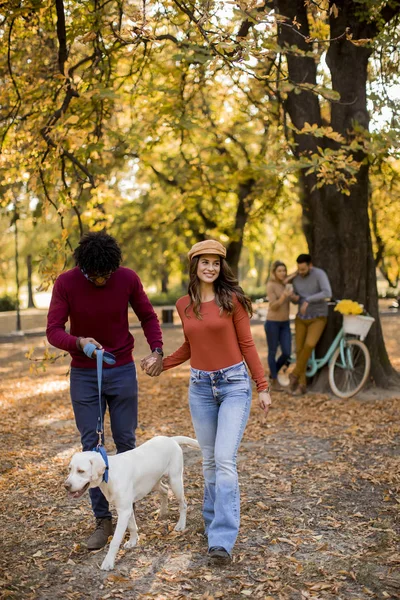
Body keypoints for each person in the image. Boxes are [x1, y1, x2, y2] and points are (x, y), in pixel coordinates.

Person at [142, 240, 271, 563]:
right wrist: (163, 363)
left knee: (225, 460)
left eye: (216, 262)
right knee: (210, 460)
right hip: (200, 387)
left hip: (233, 386)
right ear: (195, 265)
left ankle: (222, 539)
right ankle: (212, 518)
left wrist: (263, 385)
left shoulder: (232, 301)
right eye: (205, 262)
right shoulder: (184, 304)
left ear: (221, 266)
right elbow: (190, 346)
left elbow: (247, 345)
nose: (210, 268)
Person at [46, 231, 164, 550]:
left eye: (106, 274)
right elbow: (53, 331)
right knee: (92, 446)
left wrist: (157, 349)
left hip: (122, 368)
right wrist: (78, 343)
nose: (101, 280)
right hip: (85, 375)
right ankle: (103, 520)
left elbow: (148, 316)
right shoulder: (66, 283)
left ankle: (127, 512)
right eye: (95, 275)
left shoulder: (126, 279)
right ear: (84, 267)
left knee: (126, 442)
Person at [287, 253, 332, 395]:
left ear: (310, 266)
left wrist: (308, 300)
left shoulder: (319, 274)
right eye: (299, 269)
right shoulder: (297, 278)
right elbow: (297, 299)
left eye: (303, 270)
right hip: (301, 318)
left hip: (318, 317)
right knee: (300, 350)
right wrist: (294, 298)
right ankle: (302, 385)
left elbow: (327, 292)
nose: (300, 272)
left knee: (309, 344)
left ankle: (294, 373)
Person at [265, 261, 292, 391]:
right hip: (272, 323)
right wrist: (284, 297)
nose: (283, 273)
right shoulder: (271, 285)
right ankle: (275, 380)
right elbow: (273, 306)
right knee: (272, 351)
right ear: (274, 272)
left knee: (287, 352)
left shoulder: (285, 284)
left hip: (285, 323)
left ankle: (273, 371)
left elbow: (293, 276)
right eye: (280, 271)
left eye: (284, 270)